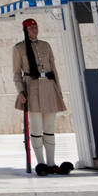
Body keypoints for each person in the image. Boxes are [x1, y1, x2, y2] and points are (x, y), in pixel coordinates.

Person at [13, 18, 69, 175]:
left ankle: (51, 163)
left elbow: (54, 69)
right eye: (31, 28)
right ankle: (41, 163)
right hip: (32, 88)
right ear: (25, 30)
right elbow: (17, 73)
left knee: (49, 128)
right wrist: (21, 91)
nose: (34, 30)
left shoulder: (46, 45)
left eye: (36, 27)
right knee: (36, 127)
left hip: (49, 87)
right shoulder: (19, 48)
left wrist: (58, 90)